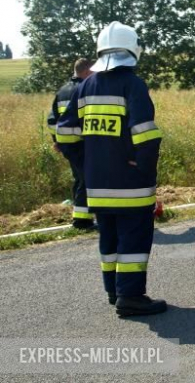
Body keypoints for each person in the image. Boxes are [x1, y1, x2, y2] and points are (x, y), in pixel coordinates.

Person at [57, 22, 166, 317]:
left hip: (97, 184)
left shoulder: (86, 86)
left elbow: (65, 133)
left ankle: (113, 290)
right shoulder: (133, 84)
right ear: (132, 49)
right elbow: (146, 134)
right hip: (130, 184)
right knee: (133, 238)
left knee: (109, 239)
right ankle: (130, 296)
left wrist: (85, 164)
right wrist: (144, 169)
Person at [48, 58, 95, 230]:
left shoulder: (62, 91)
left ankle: (80, 215)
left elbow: (52, 120)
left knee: (79, 178)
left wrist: (57, 141)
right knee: (86, 178)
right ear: (87, 71)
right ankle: (82, 221)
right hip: (80, 142)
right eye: (94, 71)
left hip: (67, 144)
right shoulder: (84, 89)